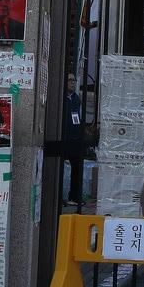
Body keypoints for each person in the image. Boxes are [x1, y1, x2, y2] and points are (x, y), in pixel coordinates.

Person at [61, 73, 87, 206]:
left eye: (74, 80)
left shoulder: (76, 99)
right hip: (62, 137)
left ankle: (74, 196)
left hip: (75, 138)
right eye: (70, 80)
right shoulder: (60, 97)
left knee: (77, 167)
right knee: (58, 167)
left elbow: (79, 117)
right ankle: (57, 196)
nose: (72, 83)